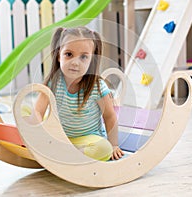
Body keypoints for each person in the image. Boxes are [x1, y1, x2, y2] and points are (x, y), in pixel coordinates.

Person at [30, 26, 124, 161]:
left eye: (84, 57)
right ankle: (65, 153)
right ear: (58, 56)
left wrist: (114, 145)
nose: (75, 62)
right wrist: (40, 134)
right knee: (26, 112)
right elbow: (38, 111)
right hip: (60, 138)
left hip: (88, 141)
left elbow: (109, 117)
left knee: (104, 149)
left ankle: (67, 155)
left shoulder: (97, 87)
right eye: (69, 54)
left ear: (91, 60)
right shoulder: (53, 83)